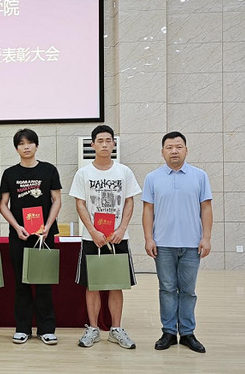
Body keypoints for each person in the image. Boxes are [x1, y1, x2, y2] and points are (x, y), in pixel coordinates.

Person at [69, 125, 141, 349]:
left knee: (116, 285)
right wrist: (92, 231)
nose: (104, 144)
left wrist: (121, 229)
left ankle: (116, 329)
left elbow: (129, 201)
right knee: (92, 285)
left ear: (113, 144)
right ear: (92, 145)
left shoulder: (124, 172)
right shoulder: (83, 173)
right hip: (92, 238)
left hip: (118, 238)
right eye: (100, 141)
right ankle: (93, 329)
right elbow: (80, 204)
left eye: (108, 140)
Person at [142, 131, 212, 354]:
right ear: (162, 152)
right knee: (167, 289)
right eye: (169, 147)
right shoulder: (152, 178)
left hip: (192, 245)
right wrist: (149, 238)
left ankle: (188, 333)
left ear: (186, 150)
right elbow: (148, 210)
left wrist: (206, 237)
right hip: (163, 245)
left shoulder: (200, 176)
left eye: (178, 147)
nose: (174, 151)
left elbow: (206, 208)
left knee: (188, 291)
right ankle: (169, 332)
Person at [0, 128, 61, 345]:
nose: (26, 147)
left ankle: (46, 329)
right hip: (20, 236)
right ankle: (22, 328)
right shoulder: (10, 174)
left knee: (44, 282)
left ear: (36, 145)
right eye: (21, 144)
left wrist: (48, 226)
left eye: (29, 143)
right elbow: (3, 205)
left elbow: (57, 200)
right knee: (21, 283)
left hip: (44, 235)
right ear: (16, 148)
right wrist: (17, 227)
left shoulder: (49, 170)